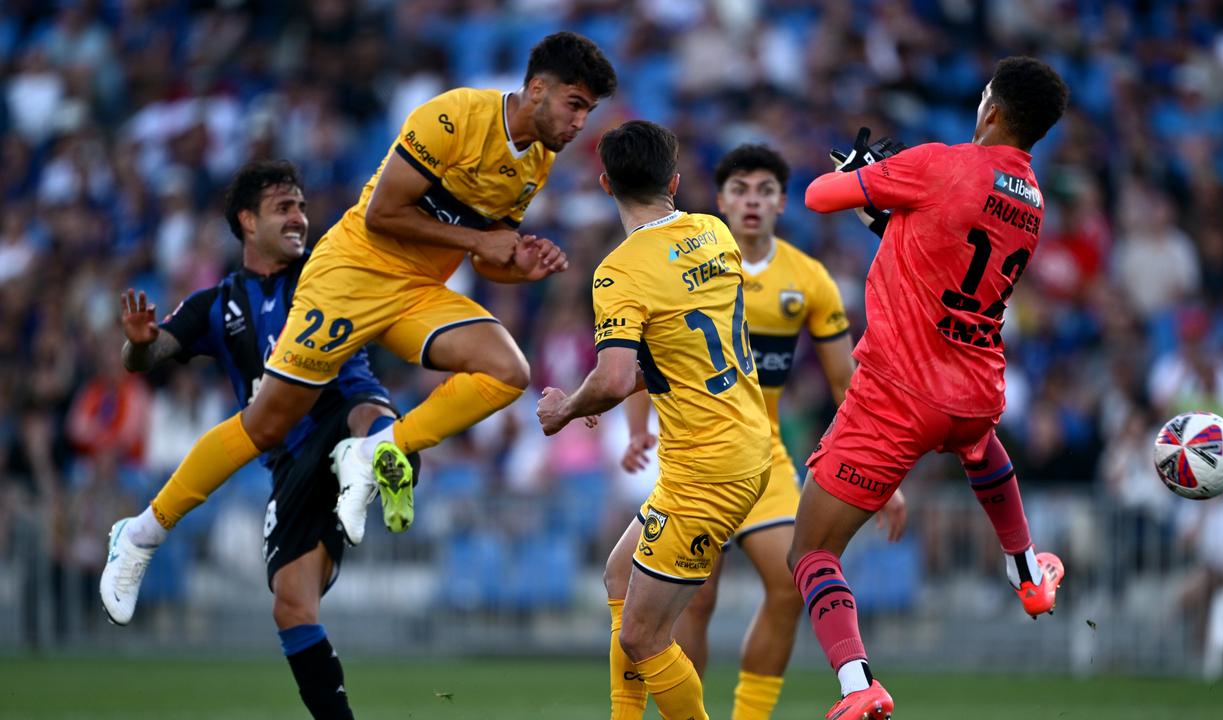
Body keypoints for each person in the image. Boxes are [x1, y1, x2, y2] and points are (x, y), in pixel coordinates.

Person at [100, 32, 617, 615]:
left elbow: (484, 258)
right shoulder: (452, 117)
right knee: (267, 423)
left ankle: (375, 452)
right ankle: (141, 532)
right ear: (537, 89)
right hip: (352, 272)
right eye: (575, 104)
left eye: (588, 111)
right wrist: (480, 239)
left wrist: (519, 266)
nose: (580, 123)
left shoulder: (537, 164)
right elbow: (383, 212)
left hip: (418, 291)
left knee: (507, 370)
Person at [791, 56, 1070, 719]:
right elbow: (933, 249)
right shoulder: (1031, 203)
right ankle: (1027, 570)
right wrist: (886, 204)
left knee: (811, 551)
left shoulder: (944, 162)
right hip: (974, 392)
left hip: (898, 393)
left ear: (993, 111)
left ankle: (859, 686)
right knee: (983, 449)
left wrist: (859, 177)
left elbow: (818, 197)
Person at [104, 160, 415, 718]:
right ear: (248, 221)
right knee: (292, 608)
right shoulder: (217, 305)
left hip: (344, 412)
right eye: (284, 208)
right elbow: (148, 358)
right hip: (288, 461)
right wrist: (138, 344)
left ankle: (374, 459)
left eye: (300, 206)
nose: (300, 217)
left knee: (371, 415)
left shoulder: (327, 269)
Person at [618, 143, 907, 720]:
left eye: (765, 190)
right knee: (693, 604)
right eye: (740, 190)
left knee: (788, 582)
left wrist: (882, 470)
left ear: (781, 202)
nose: (752, 201)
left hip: (766, 450)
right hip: (696, 452)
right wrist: (636, 429)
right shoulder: (690, 264)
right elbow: (648, 354)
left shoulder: (809, 279)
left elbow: (844, 381)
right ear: (721, 201)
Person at [536, 120, 772, 720]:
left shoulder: (619, 272)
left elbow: (615, 378)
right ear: (673, 179)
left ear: (606, 182)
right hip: (737, 443)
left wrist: (569, 406)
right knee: (620, 578)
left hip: (708, 469)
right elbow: (681, 354)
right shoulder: (714, 233)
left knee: (644, 636)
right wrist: (601, 394)